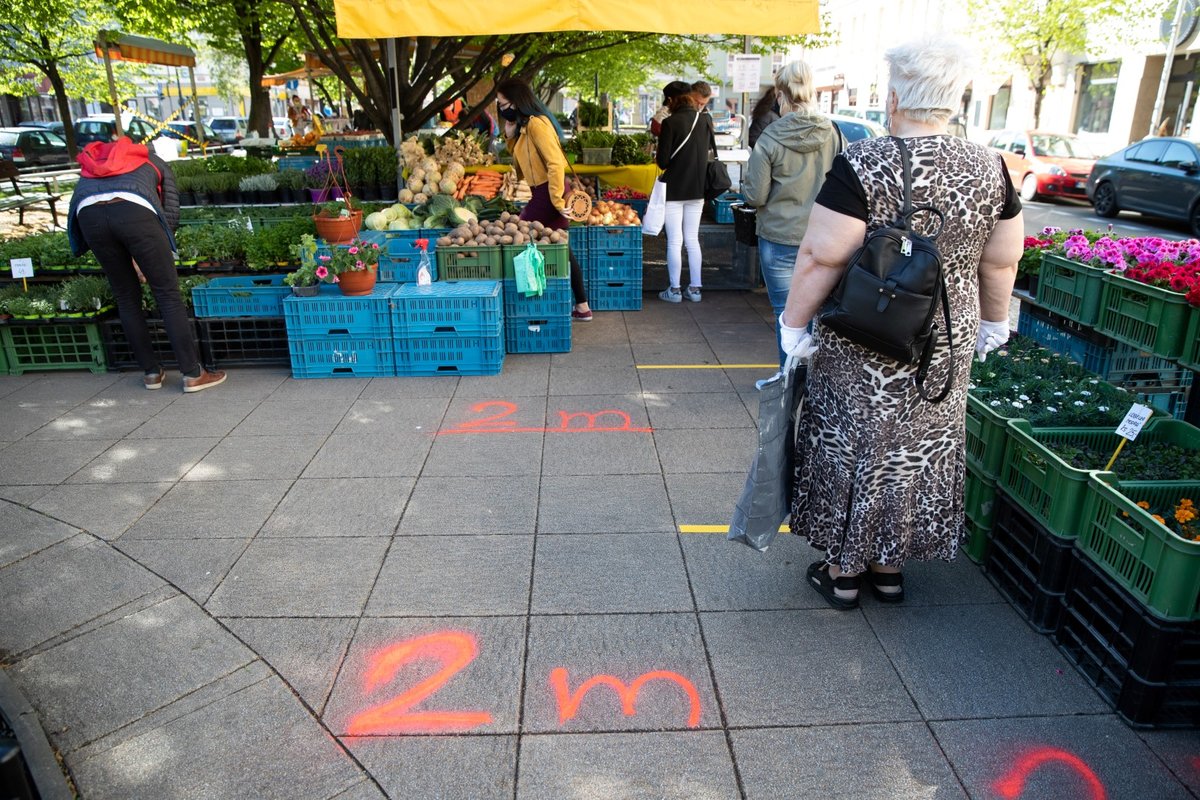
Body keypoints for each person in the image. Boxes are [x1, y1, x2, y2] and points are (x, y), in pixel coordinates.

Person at [777, 37, 1023, 608]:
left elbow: (822, 255)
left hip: (868, 334)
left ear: (893, 98)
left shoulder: (864, 162)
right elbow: (1003, 258)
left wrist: (794, 325)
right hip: (945, 338)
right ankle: (888, 569)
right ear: (954, 100)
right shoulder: (994, 167)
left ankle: (842, 574)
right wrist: (994, 321)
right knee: (917, 448)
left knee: (854, 442)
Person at [67, 137, 226, 393]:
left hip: (89, 215)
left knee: (125, 296)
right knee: (167, 294)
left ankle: (151, 372)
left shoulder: (93, 164)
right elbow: (170, 213)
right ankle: (193, 373)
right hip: (136, 213)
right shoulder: (153, 162)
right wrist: (156, 252)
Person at [741, 61, 840, 364]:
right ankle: (815, 384)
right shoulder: (833, 133)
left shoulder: (770, 137)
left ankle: (787, 383)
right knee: (820, 312)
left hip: (779, 236)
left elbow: (755, 195)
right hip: (824, 237)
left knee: (785, 315)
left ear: (781, 95)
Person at [496, 78, 593, 321]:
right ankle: (581, 306)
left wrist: (557, 200)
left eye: (502, 103)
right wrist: (509, 135)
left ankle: (531, 308)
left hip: (549, 193)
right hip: (542, 192)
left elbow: (554, 163)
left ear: (516, 102)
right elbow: (522, 157)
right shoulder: (525, 125)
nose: (500, 107)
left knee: (520, 240)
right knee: (562, 250)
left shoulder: (538, 124)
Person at [655, 85, 713, 304]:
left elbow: (663, 162)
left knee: (674, 241)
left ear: (672, 101)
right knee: (692, 239)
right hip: (697, 189)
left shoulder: (670, 123)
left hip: (674, 189)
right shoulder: (705, 120)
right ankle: (696, 289)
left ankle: (675, 290)